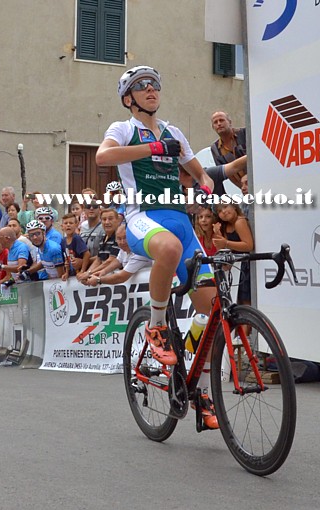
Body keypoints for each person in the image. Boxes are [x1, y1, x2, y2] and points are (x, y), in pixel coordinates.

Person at [95, 66, 219, 428]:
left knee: (211, 313)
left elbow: (199, 173)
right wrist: (151, 147)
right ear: (128, 99)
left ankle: (203, 391)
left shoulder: (174, 132)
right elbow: (103, 158)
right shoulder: (122, 129)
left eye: (154, 86)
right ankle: (157, 325)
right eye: (141, 87)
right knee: (165, 249)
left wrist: (205, 183)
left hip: (182, 220)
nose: (151, 90)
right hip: (143, 216)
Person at [82, 224, 152, 286]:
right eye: (119, 239)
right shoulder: (123, 249)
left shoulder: (139, 253)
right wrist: (103, 272)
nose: (122, 242)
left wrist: (99, 280)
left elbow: (121, 277)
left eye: (125, 238)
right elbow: (117, 261)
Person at [214, 203, 254, 306]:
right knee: (237, 302)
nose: (223, 211)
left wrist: (226, 242)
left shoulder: (240, 222)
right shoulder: (226, 226)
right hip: (236, 267)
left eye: (225, 206)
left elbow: (249, 245)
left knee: (246, 302)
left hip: (246, 266)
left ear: (234, 206)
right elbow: (224, 249)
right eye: (219, 211)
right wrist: (218, 235)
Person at [60, 212, 89, 280]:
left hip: (79, 273)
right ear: (62, 226)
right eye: (66, 223)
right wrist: (67, 272)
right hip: (72, 273)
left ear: (76, 224)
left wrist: (82, 271)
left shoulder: (76, 238)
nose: (68, 225)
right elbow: (66, 258)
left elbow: (87, 254)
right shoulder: (63, 241)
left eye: (71, 223)